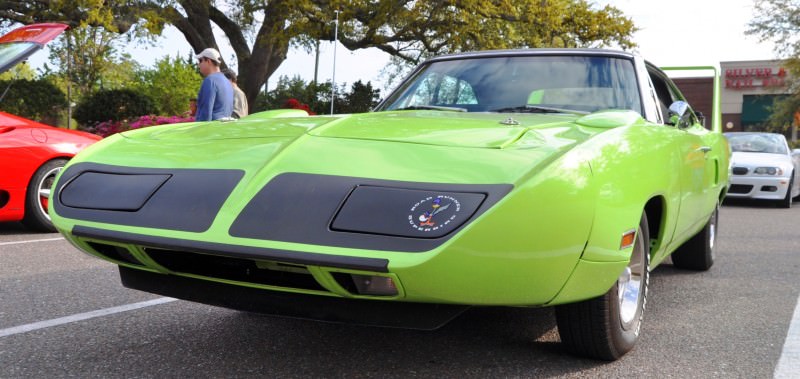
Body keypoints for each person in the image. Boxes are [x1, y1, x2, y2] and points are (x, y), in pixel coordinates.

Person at [194, 48, 233, 121]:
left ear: (208, 61)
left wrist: (200, 131)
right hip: (224, 129)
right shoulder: (228, 82)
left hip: (210, 129)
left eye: (200, 60)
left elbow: (205, 113)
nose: (198, 65)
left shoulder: (210, 80)